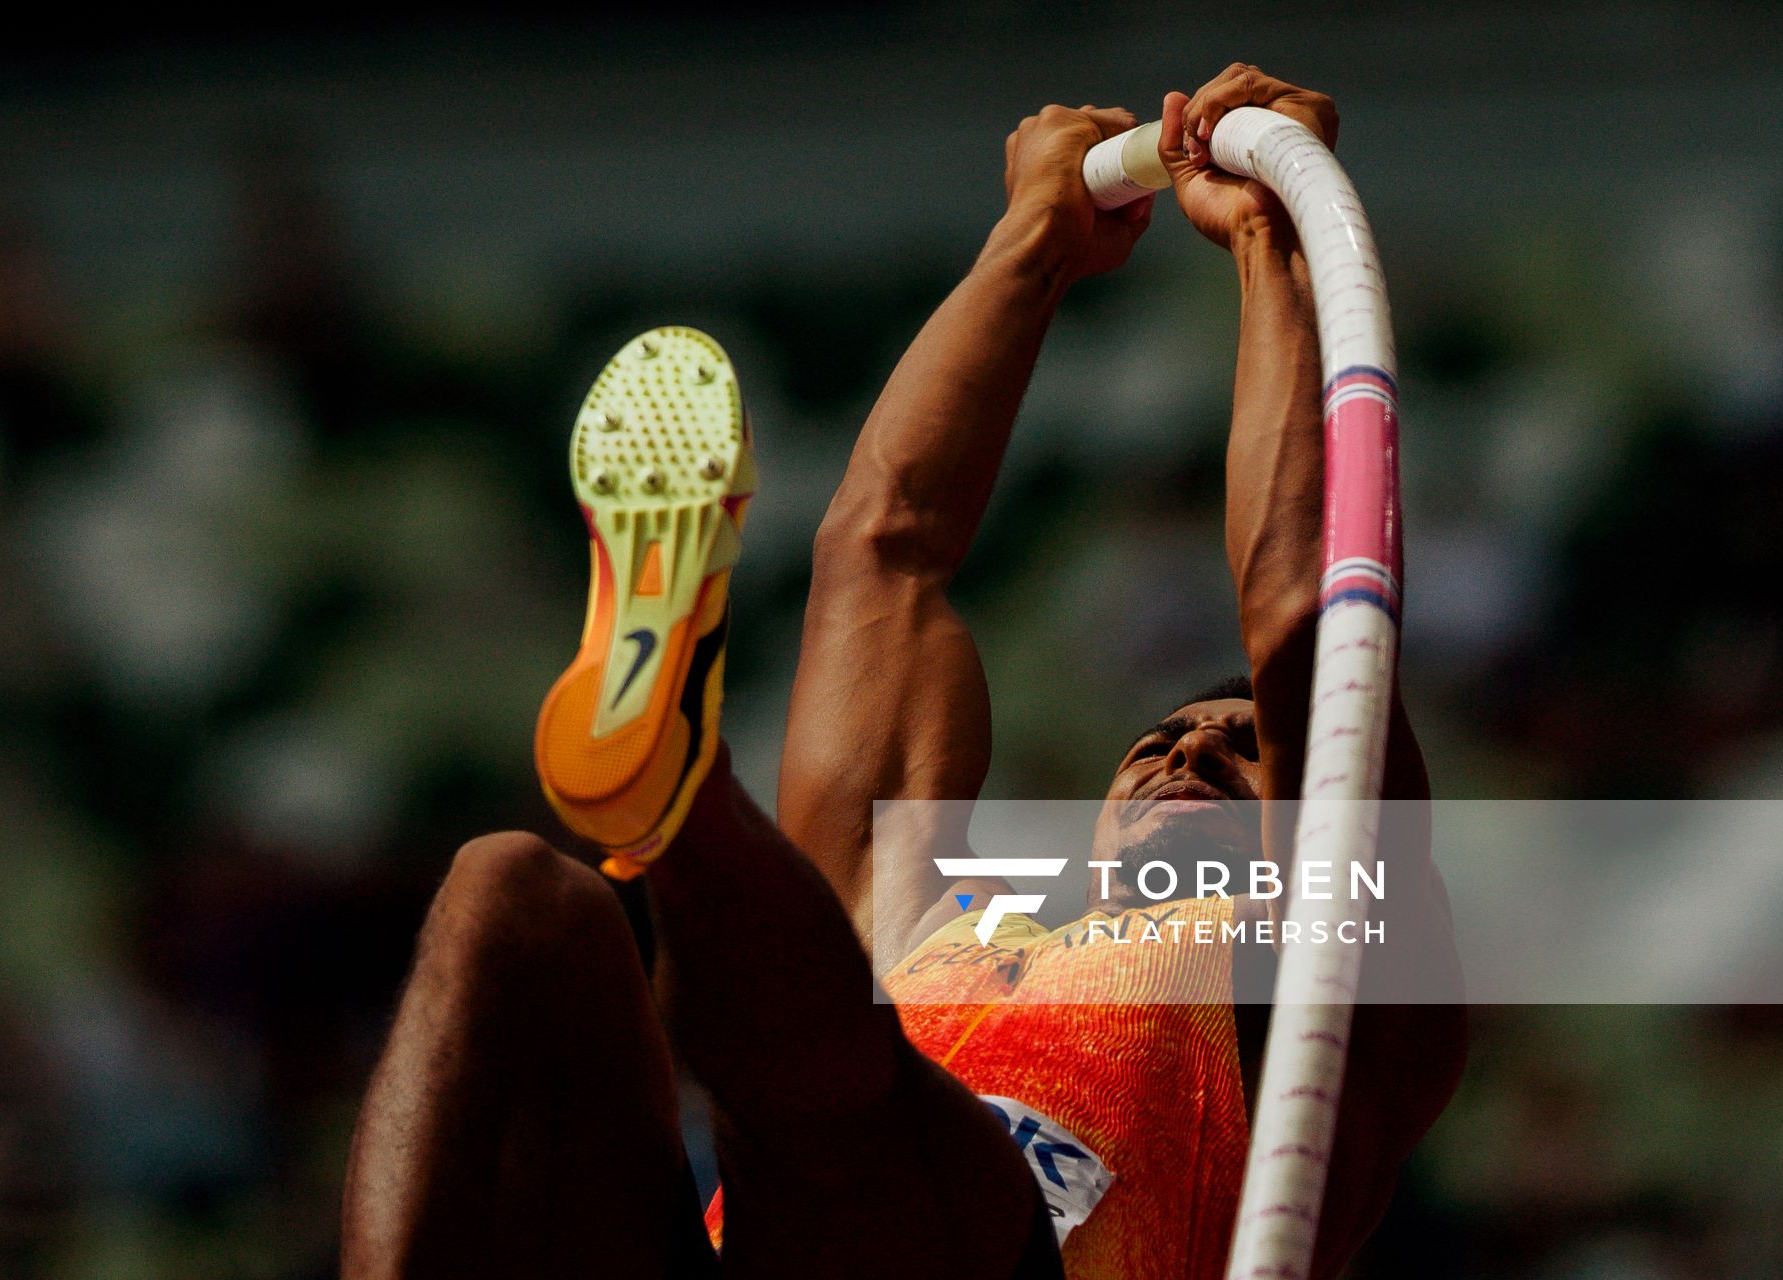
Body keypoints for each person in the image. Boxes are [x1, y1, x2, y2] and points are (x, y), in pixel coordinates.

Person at [340, 65, 1464, 1280]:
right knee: (512, 897)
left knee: (861, 1100)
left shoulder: (1339, 1002)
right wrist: (1027, 248)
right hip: (775, 1238)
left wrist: (1269, 236)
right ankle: (670, 788)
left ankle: (682, 801)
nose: (1188, 747)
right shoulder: (941, 933)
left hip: (960, 1236)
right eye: (1157, 739)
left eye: (1243, 745)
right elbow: (884, 551)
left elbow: (1303, 611)